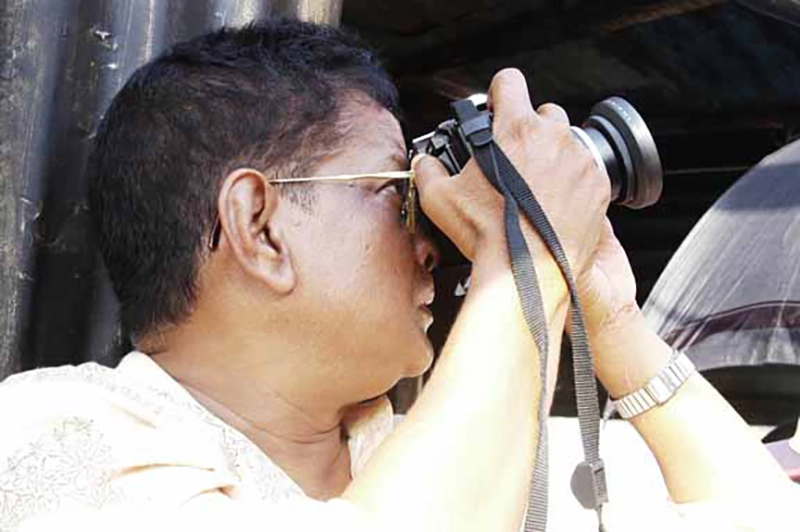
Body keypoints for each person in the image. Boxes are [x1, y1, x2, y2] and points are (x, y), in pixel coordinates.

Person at [0, 19, 795, 532]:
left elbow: (759, 518)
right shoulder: (58, 436)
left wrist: (610, 317)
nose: (431, 241)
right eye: (398, 195)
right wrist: (529, 253)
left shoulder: (426, 441)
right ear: (260, 227)